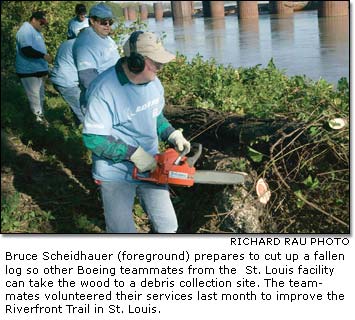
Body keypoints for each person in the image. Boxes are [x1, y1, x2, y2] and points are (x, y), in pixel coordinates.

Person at [82, 31, 191, 233]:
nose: (160, 67)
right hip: (115, 171)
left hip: (152, 165)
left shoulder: (154, 83)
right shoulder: (104, 89)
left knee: (168, 226)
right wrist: (133, 154)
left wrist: (171, 133)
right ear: (136, 62)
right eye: (155, 62)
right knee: (122, 231)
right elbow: (93, 139)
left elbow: (155, 115)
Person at [72, 2, 120, 114]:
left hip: (115, 96)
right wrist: (111, 98)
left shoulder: (104, 37)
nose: (108, 25)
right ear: (92, 21)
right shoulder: (86, 43)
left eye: (110, 22)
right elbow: (87, 78)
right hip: (100, 103)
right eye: (103, 22)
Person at [15, 11, 53, 123]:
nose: (43, 25)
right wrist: (43, 56)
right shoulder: (25, 30)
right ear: (34, 20)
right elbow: (26, 49)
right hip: (28, 71)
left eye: (44, 23)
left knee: (40, 97)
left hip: (38, 70)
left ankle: (41, 120)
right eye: (41, 23)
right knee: (35, 99)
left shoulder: (36, 31)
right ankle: (38, 124)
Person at [50, 38, 84, 124]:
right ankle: (91, 134)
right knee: (83, 111)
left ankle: (78, 127)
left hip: (59, 77)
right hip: (67, 82)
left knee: (77, 107)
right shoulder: (82, 46)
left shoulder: (68, 43)